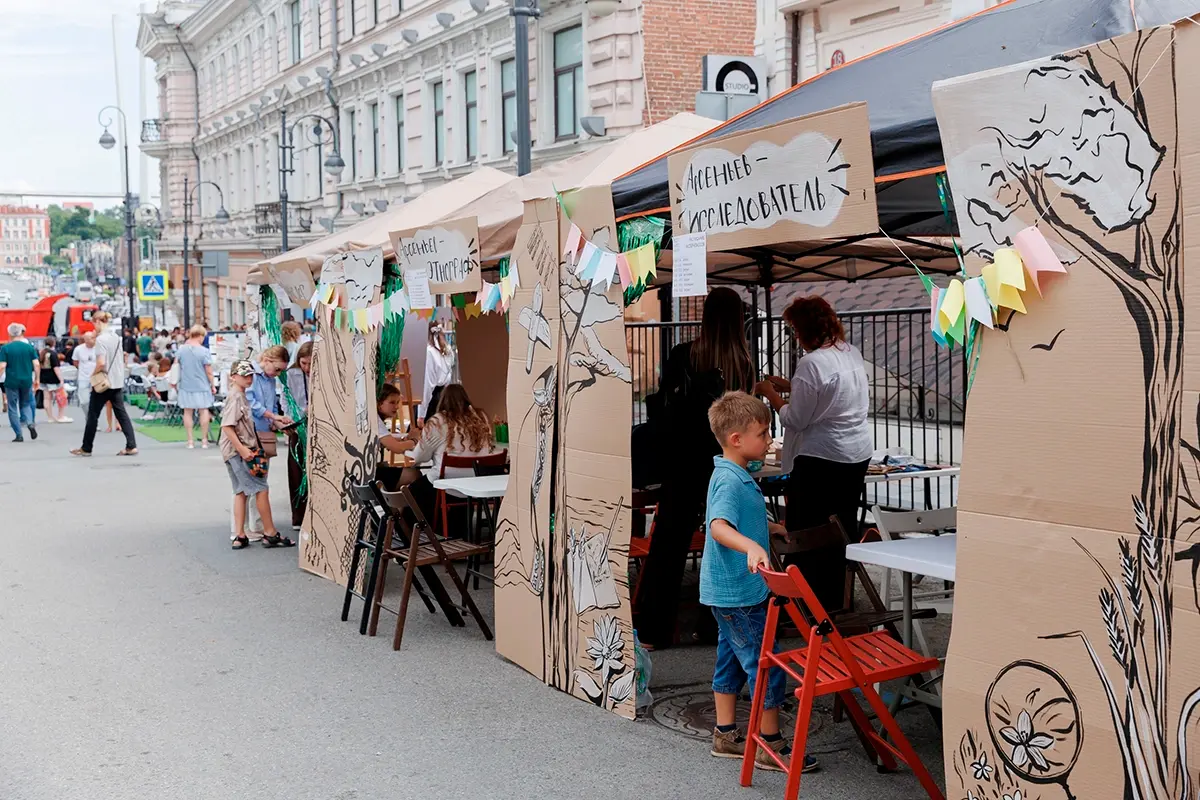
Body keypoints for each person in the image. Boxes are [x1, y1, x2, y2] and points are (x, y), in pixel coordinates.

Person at [700, 391, 819, 774]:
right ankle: (771, 743)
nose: (769, 440)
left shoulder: (732, 473)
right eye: (763, 433)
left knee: (732, 661)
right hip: (739, 592)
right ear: (737, 439)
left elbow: (739, 520)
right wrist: (752, 546)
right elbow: (719, 526)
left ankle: (725, 734)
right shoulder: (730, 481)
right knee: (766, 664)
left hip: (731, 592)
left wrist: (767, 529)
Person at [635, 287, 755, 650]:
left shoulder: (684, 354)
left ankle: (654, 630)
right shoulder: (743, 364)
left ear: (705, 315)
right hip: (724, 462)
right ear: (738, 319)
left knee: (668, 546)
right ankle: (715, 626)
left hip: (683, 461)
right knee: (727, 544)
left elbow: (662, 406)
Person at [756, 295, 872, 612]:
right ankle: (836, 600)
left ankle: (805, 603)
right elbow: (832, 395)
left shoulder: (812, 363)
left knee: (806, 531)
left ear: (805, 330)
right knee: (839, 528)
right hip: (855, 454)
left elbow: (795, 419)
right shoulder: (850, 353)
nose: (795, 336)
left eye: (795, 330)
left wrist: (770, 394)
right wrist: (793, 386)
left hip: (822, 458)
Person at [382, 382, 497, 520]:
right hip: (476, 483)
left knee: (410, 493)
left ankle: (403, 529)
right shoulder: (481, 417)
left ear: (442, 401)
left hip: (445, 482)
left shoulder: (438, 421)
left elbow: (420, 457)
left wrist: (409, 447)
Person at [221, 359, 292, 550]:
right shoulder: (236, 397)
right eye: (244, 375)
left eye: (250, 375)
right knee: (261, 488)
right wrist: (243, 449)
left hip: (233, 450)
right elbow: (227, 426)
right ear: (233, 377)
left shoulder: (239, 395)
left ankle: (240, 534)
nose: (248, 379)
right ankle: (270, 533)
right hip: (239, 450)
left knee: (241, 491)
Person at [71, 311, 138, 457]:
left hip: (104, 381)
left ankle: (86, 447)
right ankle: (131, 445)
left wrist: (92, 375)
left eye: (93, 323)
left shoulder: (100, 340)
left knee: (93, 415)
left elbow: (101, 363)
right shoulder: (116, 337)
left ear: (97, 321)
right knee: (121, 413)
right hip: (116, 380)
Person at [284, 340, 312, 530]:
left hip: (319, 426)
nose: (307, 368)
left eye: (311, 364)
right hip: (298, 425)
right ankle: (298, 515)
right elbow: (286, 399)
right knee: (296, 470)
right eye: (304, 363)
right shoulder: (292, 374)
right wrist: (291, 418)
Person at [176, 325, 215, 449]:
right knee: (204, 411)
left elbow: (176, 365)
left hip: (186, 384)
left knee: (187, 412)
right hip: (202, 385)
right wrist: (213, 385)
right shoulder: (204, 351)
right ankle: (204, 440)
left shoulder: (181, 350)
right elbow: (209, 371)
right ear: (201, 336)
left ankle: (190, 441)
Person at [0, 322, 40, 442]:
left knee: (12, 407)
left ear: (9, 333)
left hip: (11, 381)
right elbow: (37, 364)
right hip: (26, 380)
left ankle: (19, 434)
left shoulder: (6, 348)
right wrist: (37, 379)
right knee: (26, 404)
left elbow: (2, 366)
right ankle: (30, 423)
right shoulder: (29, 347)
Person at [423, 322, 455, 420]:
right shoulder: (448, 350)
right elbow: (449, 376)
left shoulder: (429, 352)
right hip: (443, 397)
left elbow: (428, 385)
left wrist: (421, 414)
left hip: (431, 401)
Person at [38, 337, 68, 424]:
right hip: (53, 379)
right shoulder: (53, 354)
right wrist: (61, 379)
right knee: (61, 396)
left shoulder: (42, 353)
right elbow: (56, 368)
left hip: (43, 378)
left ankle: (50, 417)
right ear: (53, 343)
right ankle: (60, 416)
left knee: (47, 398)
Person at [73, 331, 98, 420]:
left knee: (96, 401)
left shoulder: (99, 348)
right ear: (86, 340)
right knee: (84, 401)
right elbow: (75, 362)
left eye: (94, 337)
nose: (94, 340)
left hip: (97, 377)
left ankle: (93, 419)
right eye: (91, 338)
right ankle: (89, 417)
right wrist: (82, 369)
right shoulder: (78, 349)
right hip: (83, 377)